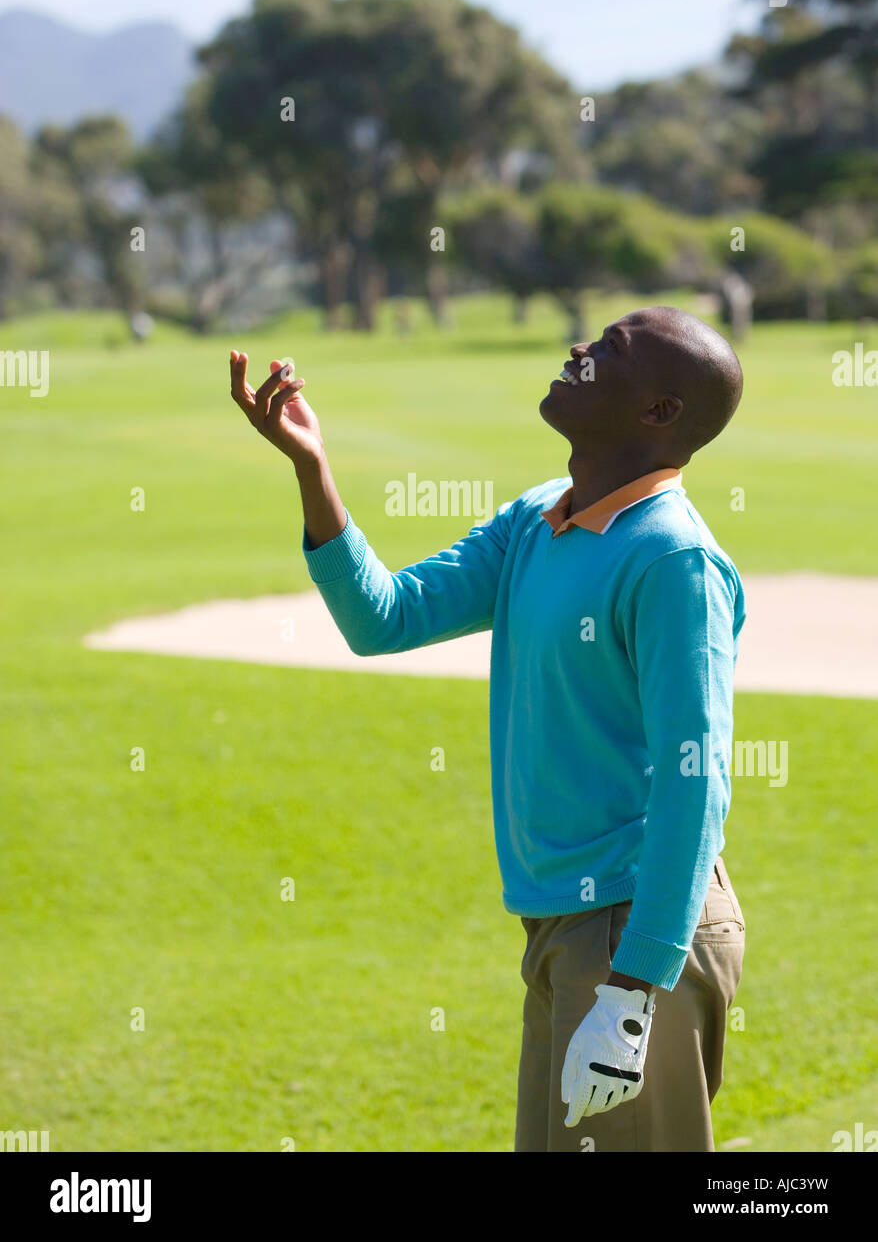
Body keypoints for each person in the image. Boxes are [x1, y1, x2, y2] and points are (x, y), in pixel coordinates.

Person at [229, 304, 747, 1152]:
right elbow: (383, 619)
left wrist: (630, 993)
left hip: (637, 935)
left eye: (609, 350)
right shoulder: (539, 518)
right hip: (561, 929)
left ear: (660, 413)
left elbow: (697, 786)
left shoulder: (672, 561)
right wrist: (312, 467)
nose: (580, 348)